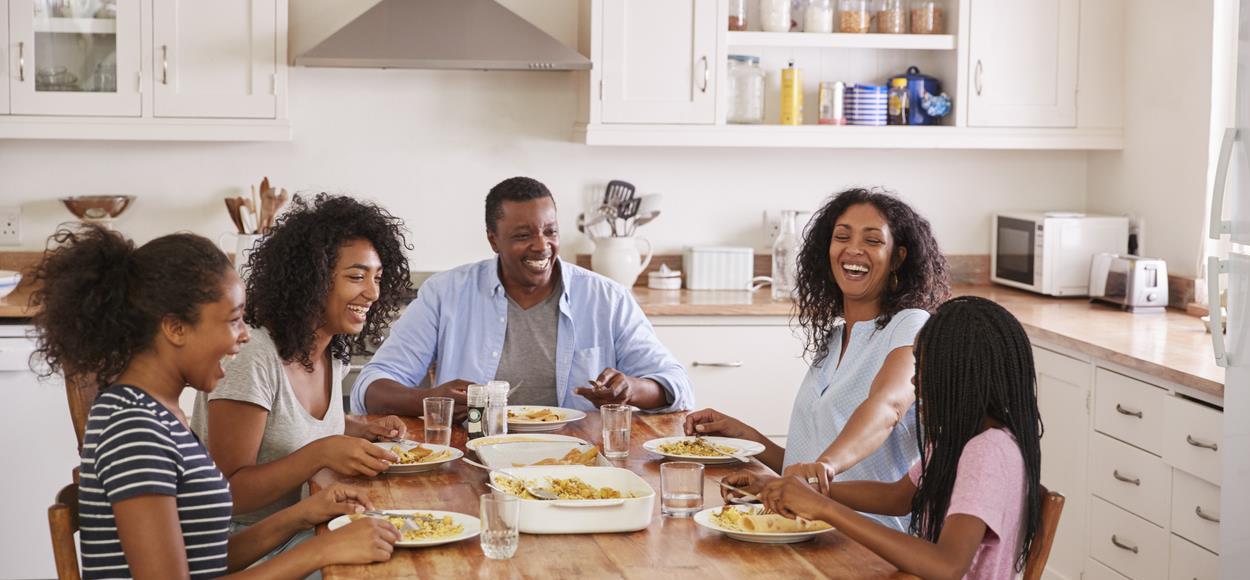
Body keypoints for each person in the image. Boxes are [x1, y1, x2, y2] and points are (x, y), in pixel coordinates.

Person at [30, 225, 398, 579]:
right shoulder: (134, 430)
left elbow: (205, 560)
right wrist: (319, 552)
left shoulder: (160, 415)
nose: (243, 337)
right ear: (175, 328)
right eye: (234, 320)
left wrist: (302, 515)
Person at [685, 188, 949, 530]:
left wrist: (825, 466)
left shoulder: (911, 325)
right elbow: (806, 471)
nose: (853, 249)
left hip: (870, 541)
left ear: (897, 258)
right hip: (810, 528)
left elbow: (889, 407)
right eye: (842, 237)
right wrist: (746, 437)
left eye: (872, 241)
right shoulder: (835, 339)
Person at [741, 296, 1044, 580]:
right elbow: (897, 498)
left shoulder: (988, 451)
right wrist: (797, 489)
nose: (914, 380)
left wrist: (824, 508)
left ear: (962, 379)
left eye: (925, 369)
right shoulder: (961, 438)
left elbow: (947, 565)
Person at [352, 176, 694, 416]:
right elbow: (369, 388)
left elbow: (677, 386)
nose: (542, 245)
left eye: (550, 231)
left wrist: (631, 389)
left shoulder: (607, 298)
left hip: (581, 461)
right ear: (493, 240)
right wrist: (429, 400)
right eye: (522, 235)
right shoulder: (445, 294)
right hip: (474, 456)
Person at [191, 194, 413, 535]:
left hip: (310, 525)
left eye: (378, 278)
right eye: (357, 277)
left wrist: (360, 428)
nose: (373, 293)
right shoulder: (252, 356)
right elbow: (229, 493)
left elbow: (287, 425)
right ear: (312, 279)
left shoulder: (330, 347)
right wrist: (321, 453)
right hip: (243, 542)